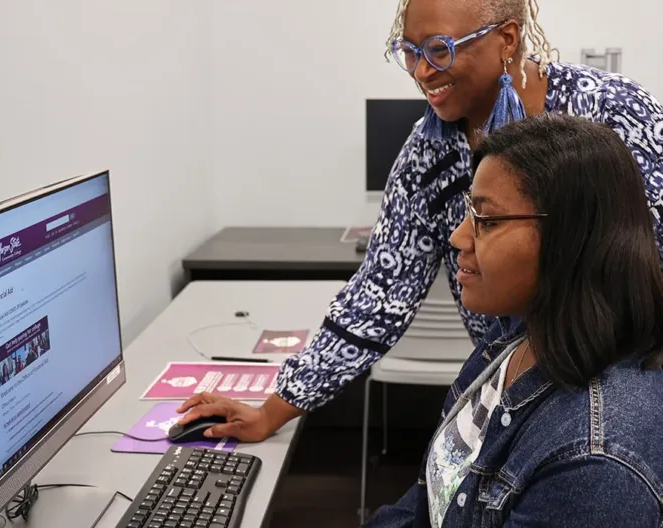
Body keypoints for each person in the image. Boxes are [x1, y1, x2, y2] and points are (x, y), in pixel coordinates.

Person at [175, 0, 663, 443]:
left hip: (617, 395)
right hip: (512, 385)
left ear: (507, 39)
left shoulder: (613, 115)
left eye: (440, 50)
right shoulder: (427, 154)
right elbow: (380, 293)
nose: (422, 70)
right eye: (408, 51)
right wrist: (272, 412)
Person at [369, 113, 663, 525]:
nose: (457, 237)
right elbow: (426, 502)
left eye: (486, 220)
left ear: (570, 236)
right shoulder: (516, 336)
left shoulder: (594, 465)